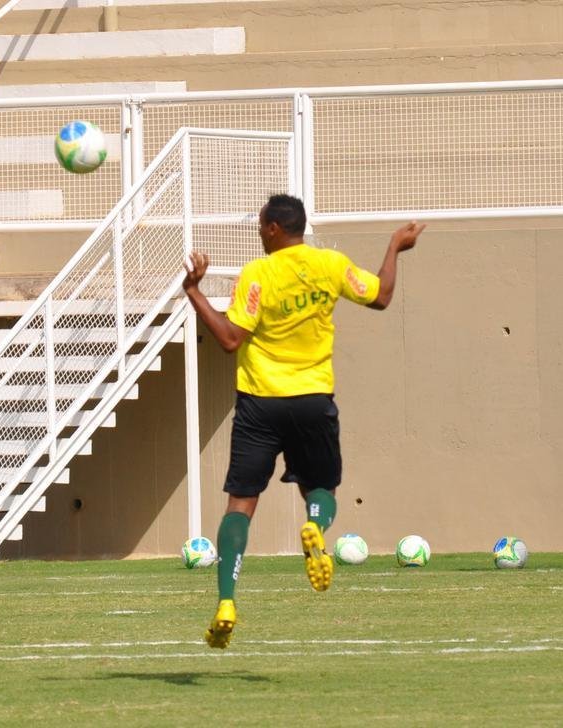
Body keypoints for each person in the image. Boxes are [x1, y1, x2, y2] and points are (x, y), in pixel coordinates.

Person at [182, 193, 425, 649]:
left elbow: (231, 340)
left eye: (259, 224)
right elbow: (382, 295)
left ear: (274, 228)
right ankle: (315, 525)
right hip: (313, 398)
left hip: (260, 403)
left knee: (241, 505)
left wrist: (194, 291)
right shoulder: (330, 265)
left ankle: (228, 601)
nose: (258, 231)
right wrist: (394, 246)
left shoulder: (258, 274)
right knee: (322, 489)